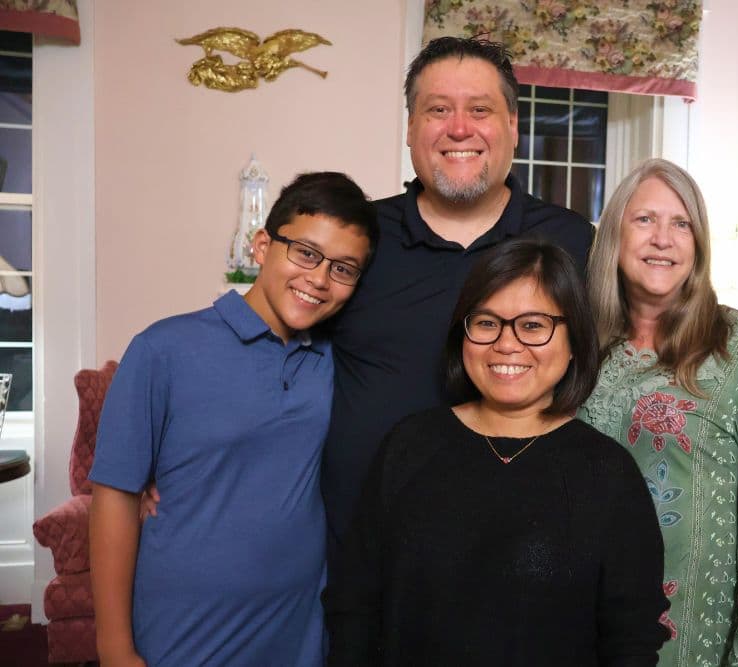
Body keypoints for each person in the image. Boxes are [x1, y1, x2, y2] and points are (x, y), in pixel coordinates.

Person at [326, 238, 669, 666]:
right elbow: (355, 608)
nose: (507, 344)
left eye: (533, 325)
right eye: (487, 323)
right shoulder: (408, 447)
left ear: (574, 341)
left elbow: (632, 641)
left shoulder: (608, 474)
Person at [323, 36, 594, 568]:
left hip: (521, 562)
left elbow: (633, 360)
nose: (459, 128)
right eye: (438, 110)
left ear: (513, 126)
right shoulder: (359, 238)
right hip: (365, 566)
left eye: (480, 110)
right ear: (409, 129)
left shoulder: (571, 243)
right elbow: (278, 350)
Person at [88, 172, 378, 667]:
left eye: (344, 268)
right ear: (261, 245)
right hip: (185, 630)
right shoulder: (164, 349)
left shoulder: (338, 361)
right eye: (305, 253)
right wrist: (114, 647)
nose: (319, 279)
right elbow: (114, 493)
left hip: (298, 632)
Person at [577, 159, 738, 666]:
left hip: (687, 642)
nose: (663, 238)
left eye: (681, 224)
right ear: (614, 234)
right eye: (645, 220)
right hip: (582, 630)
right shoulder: (579, 344)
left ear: (698, 244)